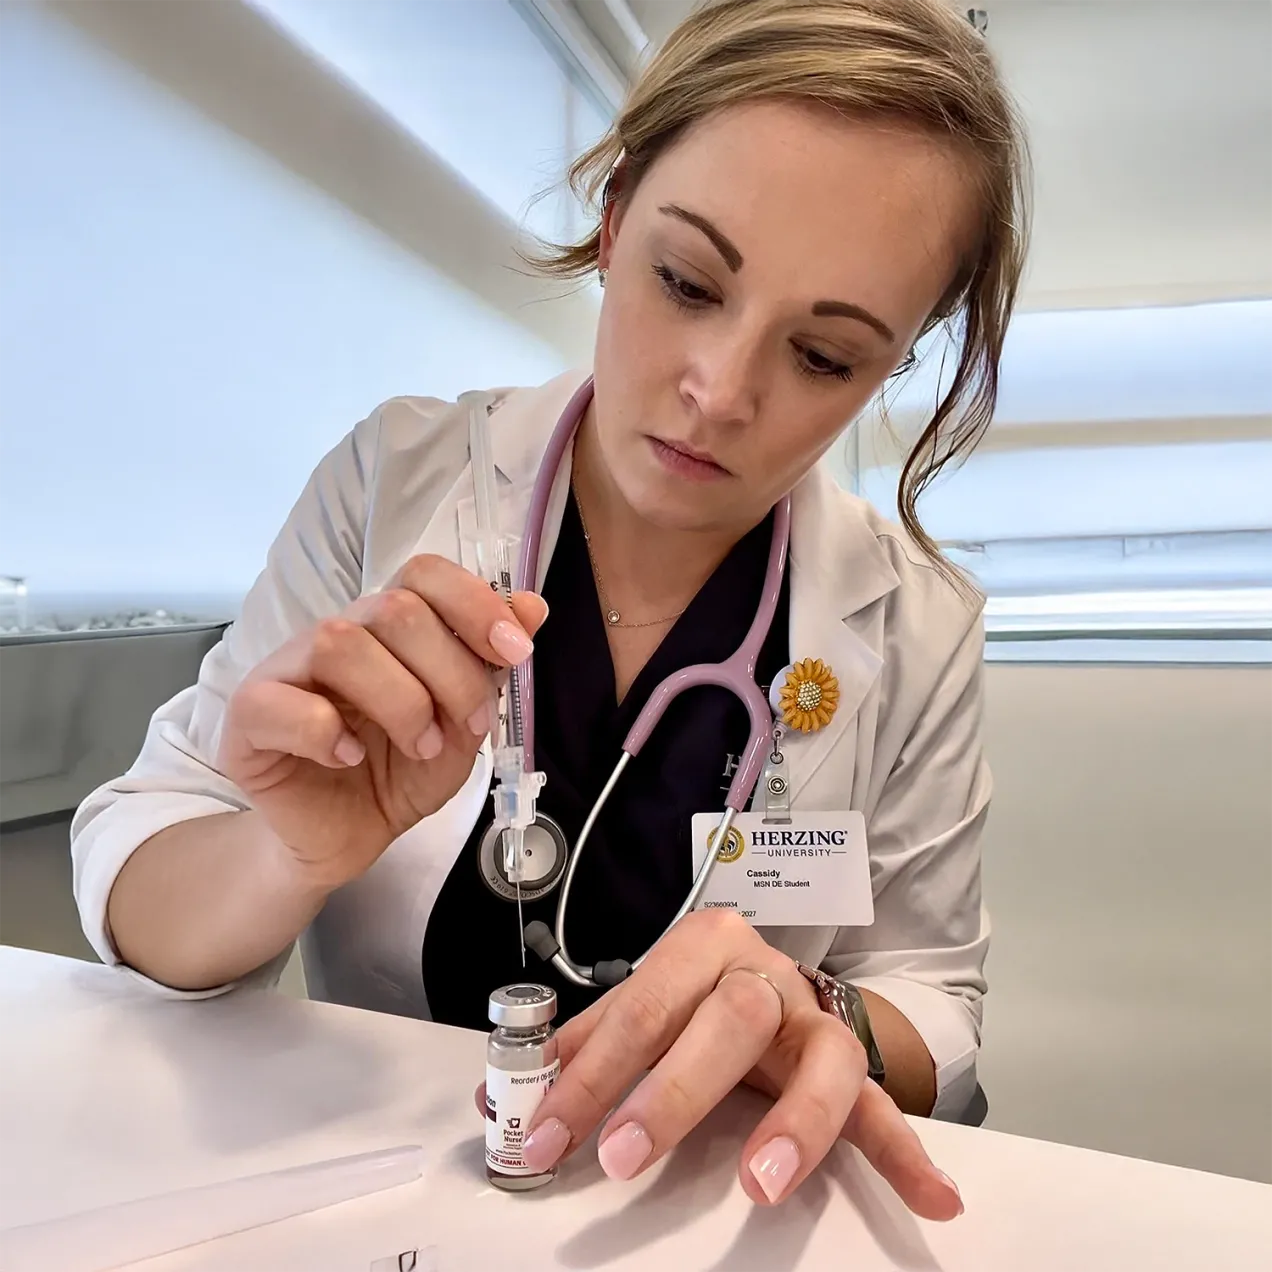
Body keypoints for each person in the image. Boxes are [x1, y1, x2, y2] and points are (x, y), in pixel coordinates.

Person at [71, 0, 1028, 1219]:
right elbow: (139, 861)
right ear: (616, 215)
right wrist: (282, 855)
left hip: (700, 1208)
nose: (719, 393)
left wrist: (820, 1011)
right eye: (688, 281)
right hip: (382, 1196)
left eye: (826, 356)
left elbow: (936, 999)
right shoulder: (393, 482)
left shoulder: (918, 619)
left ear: (896, 363)